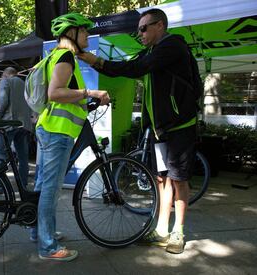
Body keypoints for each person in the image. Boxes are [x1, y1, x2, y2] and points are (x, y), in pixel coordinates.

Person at [78, 8, 197, 254]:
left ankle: (178, 232)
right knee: (162, 178)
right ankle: (162, 230)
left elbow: (135, 69)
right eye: (138, 29)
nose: (139, 33)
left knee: (179, 179)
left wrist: (96, 60)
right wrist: (97, 62)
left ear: (160, 26)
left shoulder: (172, 46)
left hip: (179, 126)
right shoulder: (152, 52)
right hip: (159, 129)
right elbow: (126, 67)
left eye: (143, 28)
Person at [31, 13, 110, 262]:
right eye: (84, 31)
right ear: (72, 34)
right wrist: (91, 91)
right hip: (57, 131)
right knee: (50, 189)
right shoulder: (65, 56)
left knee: (44, 184)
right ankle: (47, 246)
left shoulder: (55, 55)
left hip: (50, 127)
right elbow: (56, 93)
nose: (87, 35)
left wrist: (84, 98)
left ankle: (39, 231)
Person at [0, 67, 32, 194]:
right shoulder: (25, 83)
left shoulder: (6, 81)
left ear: (6, 74)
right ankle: (23, 184)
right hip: (24, 124)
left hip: (8, 123)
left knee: (0, 154)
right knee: (23, 157)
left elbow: (2, 102)